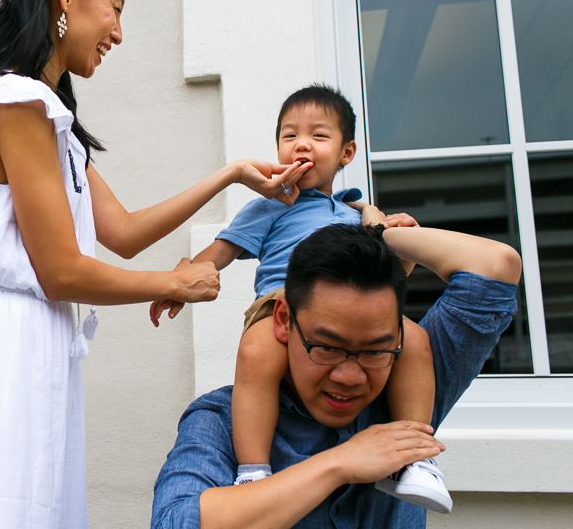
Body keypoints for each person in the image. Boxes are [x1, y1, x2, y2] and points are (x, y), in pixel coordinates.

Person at [0, 0, 311, 529]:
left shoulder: (53, 119)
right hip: (3, 350)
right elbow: (60, 270)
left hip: (35, 346)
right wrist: (171, 284)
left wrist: (230, 175)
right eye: (116, 8)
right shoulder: (17, 101)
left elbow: (120, 230)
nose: (119, 32)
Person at [150, 84, 448, 511]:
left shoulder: (359, 215)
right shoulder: (272, 206)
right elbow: (218, 255)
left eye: (318, 135)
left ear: (347, 153)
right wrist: (176, 285)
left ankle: (415, 458)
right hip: (279, 302)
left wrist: (404, 247)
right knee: (257, 350)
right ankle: (253, 471)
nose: (301, 143)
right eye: (289, 136)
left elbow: (378, 288)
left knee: (414, 338)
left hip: (345, 315)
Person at [151, 220, 521, 528]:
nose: (350, 376)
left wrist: (380, 237)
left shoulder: (410, 391)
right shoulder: (220, 421)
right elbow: (175, 520)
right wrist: (338, 464)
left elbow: (495, 266)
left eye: (375, 350)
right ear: (282, 320)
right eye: (327, 347)